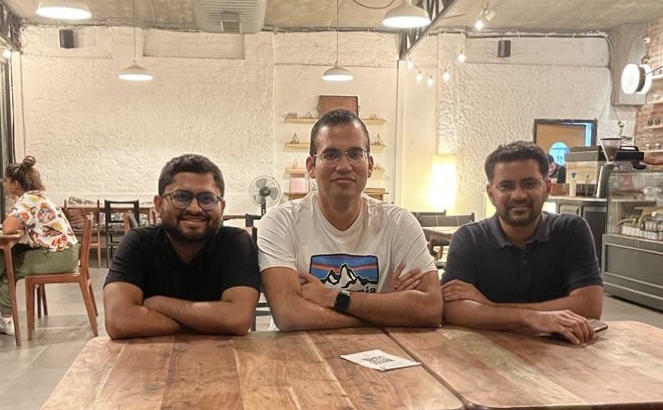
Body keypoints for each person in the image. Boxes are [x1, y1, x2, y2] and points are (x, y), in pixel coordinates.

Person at [258, 109, 442, 331]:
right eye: (331, 155)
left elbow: (431, 308)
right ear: (311, 167)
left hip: (380, 354)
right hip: (299, 355)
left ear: (370, 165)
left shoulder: (400, 223)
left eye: (355, 154)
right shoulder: (280, 222)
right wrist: (385, 309)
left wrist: (333, 297)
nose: (344, 166)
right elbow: (290, 315)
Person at [441, 141, 603, 345]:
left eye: (529, 184)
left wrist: (489, 308)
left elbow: (589, 306)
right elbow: (452, 309)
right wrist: (534, 318)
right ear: (491, 193)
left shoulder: (572, 230)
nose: (518, 195)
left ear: (547, 188)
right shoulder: (468, 238)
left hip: (564, 356)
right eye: (506, 186)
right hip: (487, 355)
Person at [103, 154, 260, 339]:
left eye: (207, 199)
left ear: (222, 206)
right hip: (149, 362)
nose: (194, 208)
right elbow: (119, 320)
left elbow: (237, 319)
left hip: (225, 360)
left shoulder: (235, 243)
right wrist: (210, 322)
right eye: (182, 197)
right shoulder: (138, 243)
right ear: (159, 204)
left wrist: (161, 305)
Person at [0, 156, 79, 336]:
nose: (3, 183)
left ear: (15, 184)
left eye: (5, 180)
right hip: (66, 252)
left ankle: (5, 320)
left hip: (58, 256)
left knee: (10, 270)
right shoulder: (37, 196)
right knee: (12, 254)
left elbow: (8, 227)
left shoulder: (28, 200)